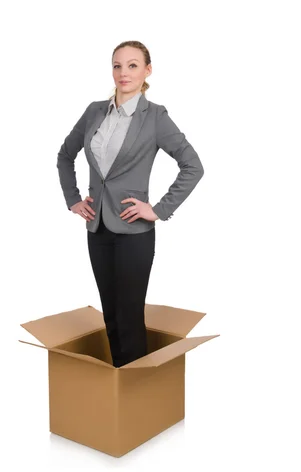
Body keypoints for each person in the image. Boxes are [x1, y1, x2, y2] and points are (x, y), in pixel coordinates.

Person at [56, 40, 204, 368]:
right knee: (110, 314)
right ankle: (116, 387)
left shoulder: (155, 118)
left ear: (147, 70)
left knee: (130, 316)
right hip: (97, 227)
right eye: (118, 65)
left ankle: (137, 397)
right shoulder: (94, 111)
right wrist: (73, 200)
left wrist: (159, 209)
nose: (124, 73)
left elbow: (193, 166)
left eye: (133, 65)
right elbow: (65, 155)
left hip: (134, 230)